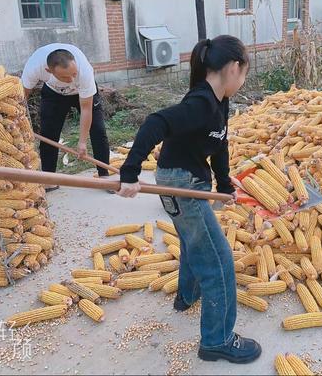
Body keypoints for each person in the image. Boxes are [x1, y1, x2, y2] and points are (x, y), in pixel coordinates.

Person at [117, 35, 261, 364]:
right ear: (235, 67)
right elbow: (158, 122)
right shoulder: (200, 102)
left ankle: (187, 295)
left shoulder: (218, 102)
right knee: (219, 262)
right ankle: (217, 340)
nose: (244, 79)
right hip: (182, 183)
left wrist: (224, 184)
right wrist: (130, 171)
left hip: (188, 180)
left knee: (194, 243)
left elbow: (219, 146)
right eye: (245, 73)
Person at [21, 43, 110, 191]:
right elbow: (22, 96)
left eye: (73, 74)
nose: (71, 80)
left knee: (98, 131)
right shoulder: (35, 66)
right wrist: (20, 120)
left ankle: (104, 176)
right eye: (65, 76)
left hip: (81, 94)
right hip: (53, 93)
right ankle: (49, 178)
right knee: (49, 133)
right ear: (48, 70)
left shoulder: (84, 71)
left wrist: (82, 142)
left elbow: (87, 109)